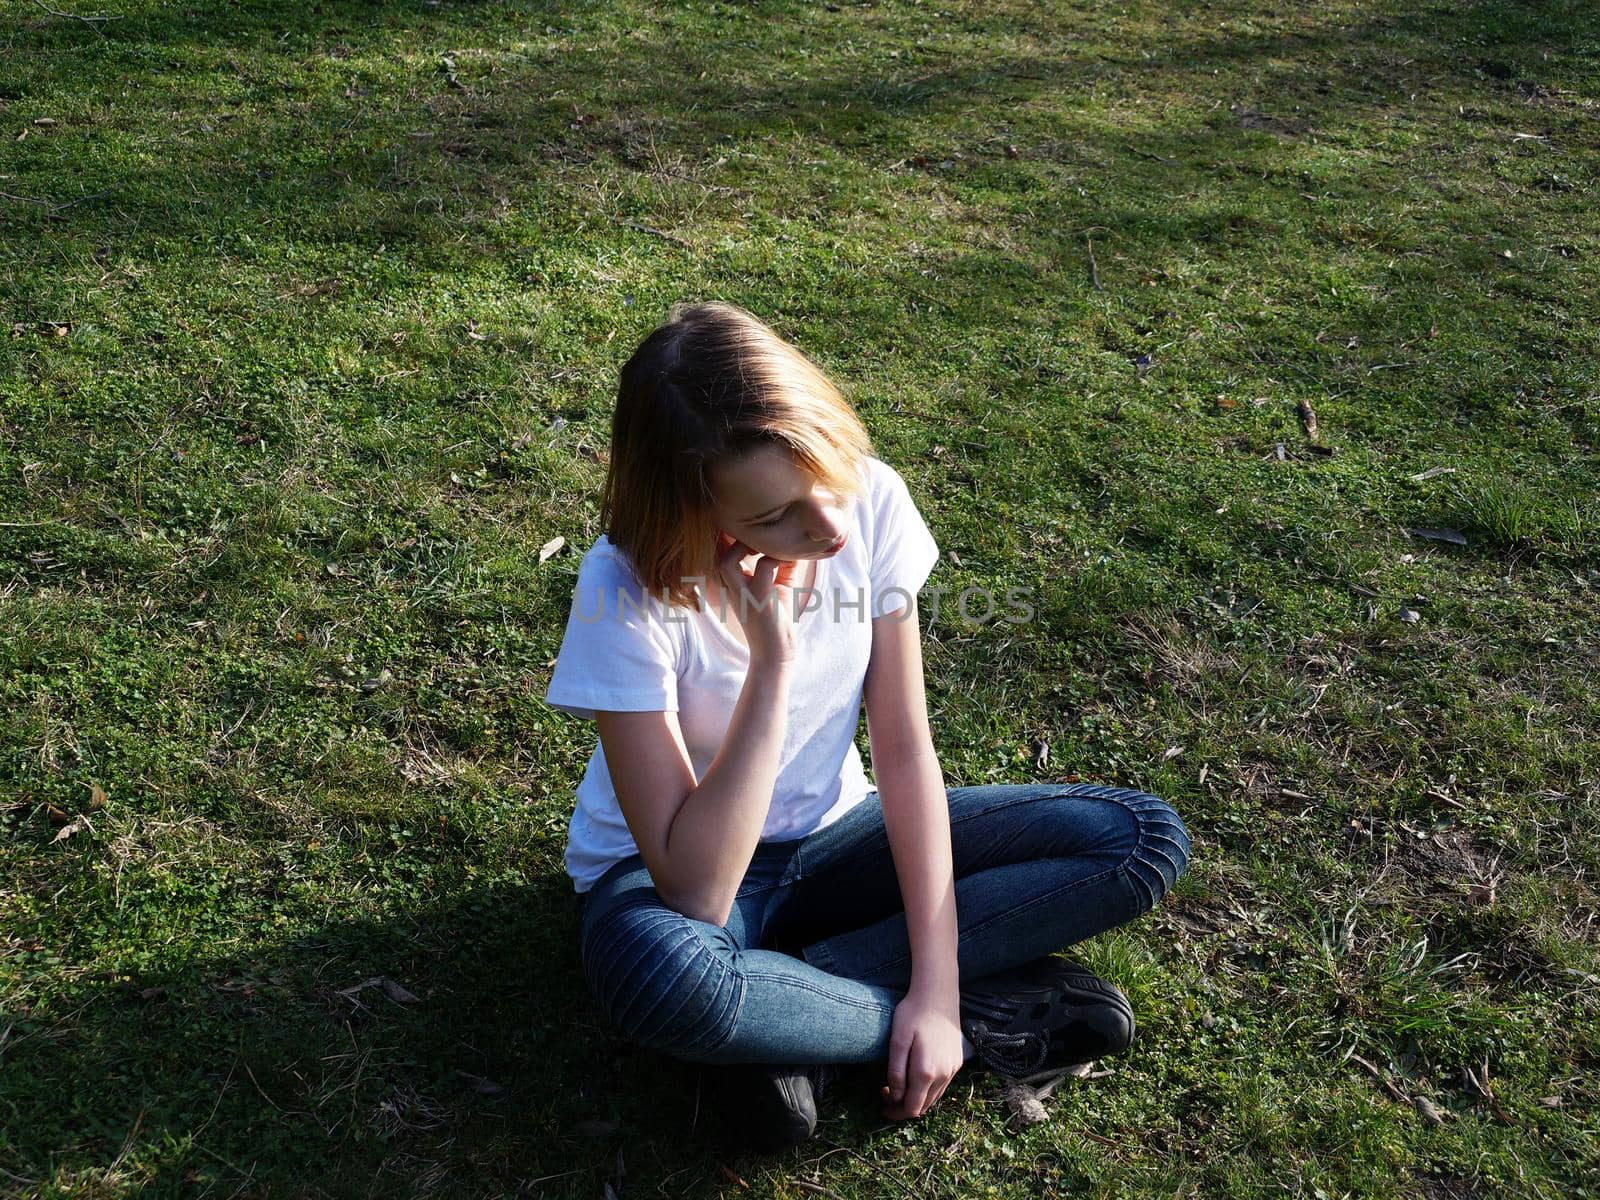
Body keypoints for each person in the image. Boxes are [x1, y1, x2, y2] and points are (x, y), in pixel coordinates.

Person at [543, 300, 1192, 1151]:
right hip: (665, 885)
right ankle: (864, 1016)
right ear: (694, 516)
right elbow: (694, 892)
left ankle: (798, 1022)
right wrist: (771, 662)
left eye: (824, 477)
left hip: (838, 839)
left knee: (1138, 838)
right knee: (671, 985)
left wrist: (936, 988)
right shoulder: (620, 587)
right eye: (773, 518)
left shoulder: (873, 499)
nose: (829, 527)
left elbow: (903, 747)